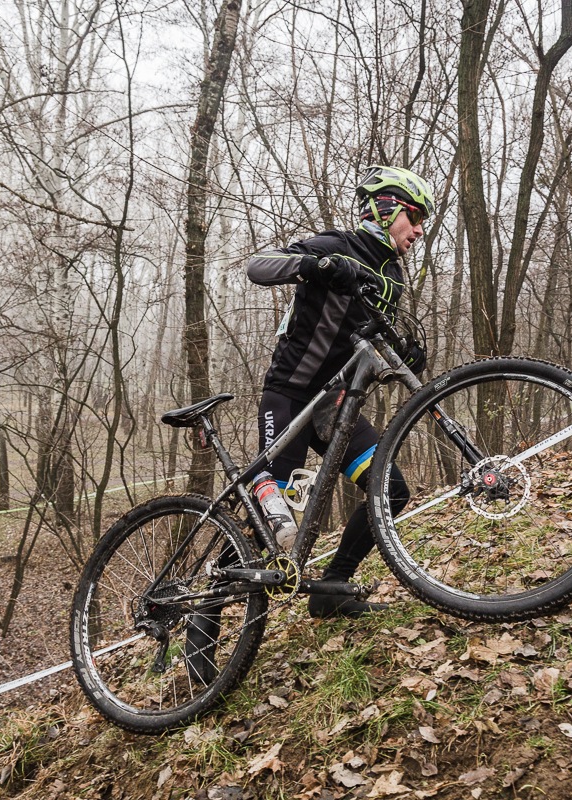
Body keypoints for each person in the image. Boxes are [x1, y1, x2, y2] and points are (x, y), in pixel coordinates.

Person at [184, 166, 433, 684]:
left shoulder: (392, 274)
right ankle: (203, 626)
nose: (418, 231)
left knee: (391, 490)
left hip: (333, 408)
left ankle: (331, 590)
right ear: (387, 208)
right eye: (414, 218)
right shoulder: (337, 244)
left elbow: (367, 340)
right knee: (266, 519)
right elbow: (258, 266)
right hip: (290, 396)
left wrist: (402, 353)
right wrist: (318, 264)